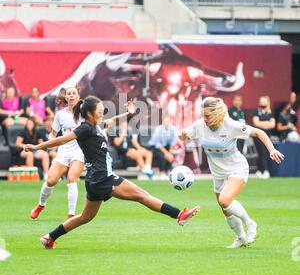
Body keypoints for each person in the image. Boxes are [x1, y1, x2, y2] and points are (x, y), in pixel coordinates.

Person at [24, 97, 199, 249]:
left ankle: (50, 237)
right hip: (103, 178)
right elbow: (62, 139)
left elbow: (113, 120)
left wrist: (128, 114)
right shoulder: (84, 129)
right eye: (100, 111)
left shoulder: (95, 126)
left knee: (85, 217)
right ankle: (179, 214)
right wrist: (37, 147)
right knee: (142, 196)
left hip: (95, 179)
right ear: (90, 114)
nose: (102, 114)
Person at [179, 97, 284, 249]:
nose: (205, 119)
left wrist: (272, 149)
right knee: (226, 210)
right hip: (218, 174)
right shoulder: (200, 125)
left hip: (237, 168)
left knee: (224, 201)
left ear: (217, 113)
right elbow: (187, 133)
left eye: (207, 115)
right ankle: (240, 238)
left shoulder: (231, 125)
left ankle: (250, 223)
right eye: (203, 115)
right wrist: (183, 135)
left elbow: (259, 132)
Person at [30, 87, 85, 220]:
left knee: (72, 178)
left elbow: (98, 124)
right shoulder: (60, 114)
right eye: (69, 94)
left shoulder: (84, 113)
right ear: (66, 97)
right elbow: (53, 133)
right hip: (64, 151)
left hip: (79, 151)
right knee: (50, 180)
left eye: (74, 94)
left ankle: (71, 215)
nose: (71, 96)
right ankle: (41, 205)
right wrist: (51, 141)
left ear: (78, 97)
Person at [252, 96, 276, 179]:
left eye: (264, 101)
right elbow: (256, 123)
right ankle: (262, 170)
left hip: (268, 136)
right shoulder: (257, 111)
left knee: (267, 152)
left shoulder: (270, 112)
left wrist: (263, 123)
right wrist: (266, 123)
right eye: (261, 101)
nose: (262, 103)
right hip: (258, 136)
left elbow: (272, 124)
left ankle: (264, 170)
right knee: (261, 152)